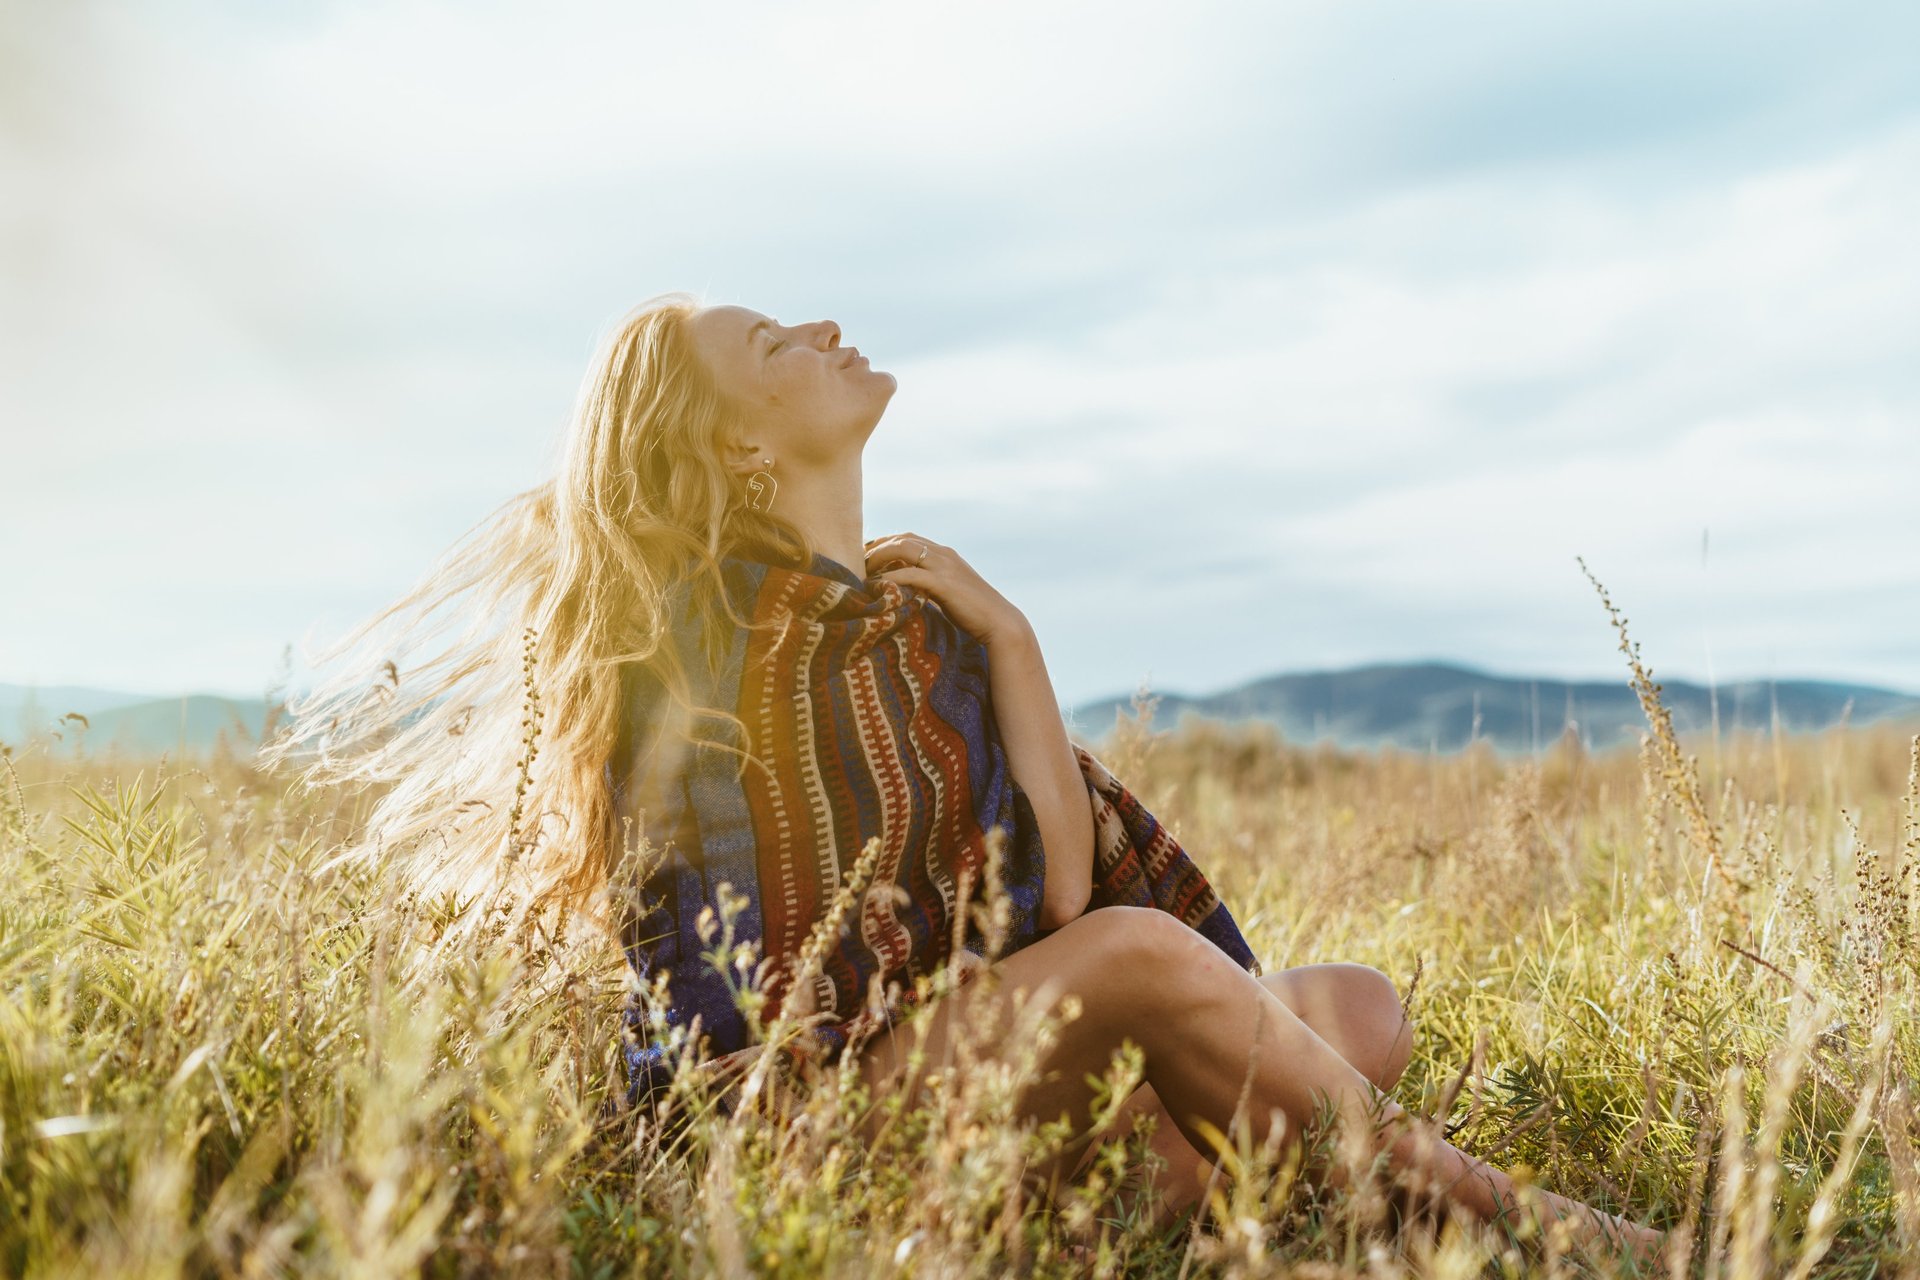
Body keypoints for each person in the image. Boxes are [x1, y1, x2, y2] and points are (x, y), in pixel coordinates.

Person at [265, 292, 1667, 1268]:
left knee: (1354, 1008)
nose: (820, 329)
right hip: (805, 1130)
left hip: (966, 1083)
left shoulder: (923, 633)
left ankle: (1108, 1218)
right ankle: (1508, 1220)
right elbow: (779, 997)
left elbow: (1052, 900)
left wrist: (1014, 639)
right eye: (773, 343)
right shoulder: (704, 662)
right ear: (742, 447)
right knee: (1159, 979)